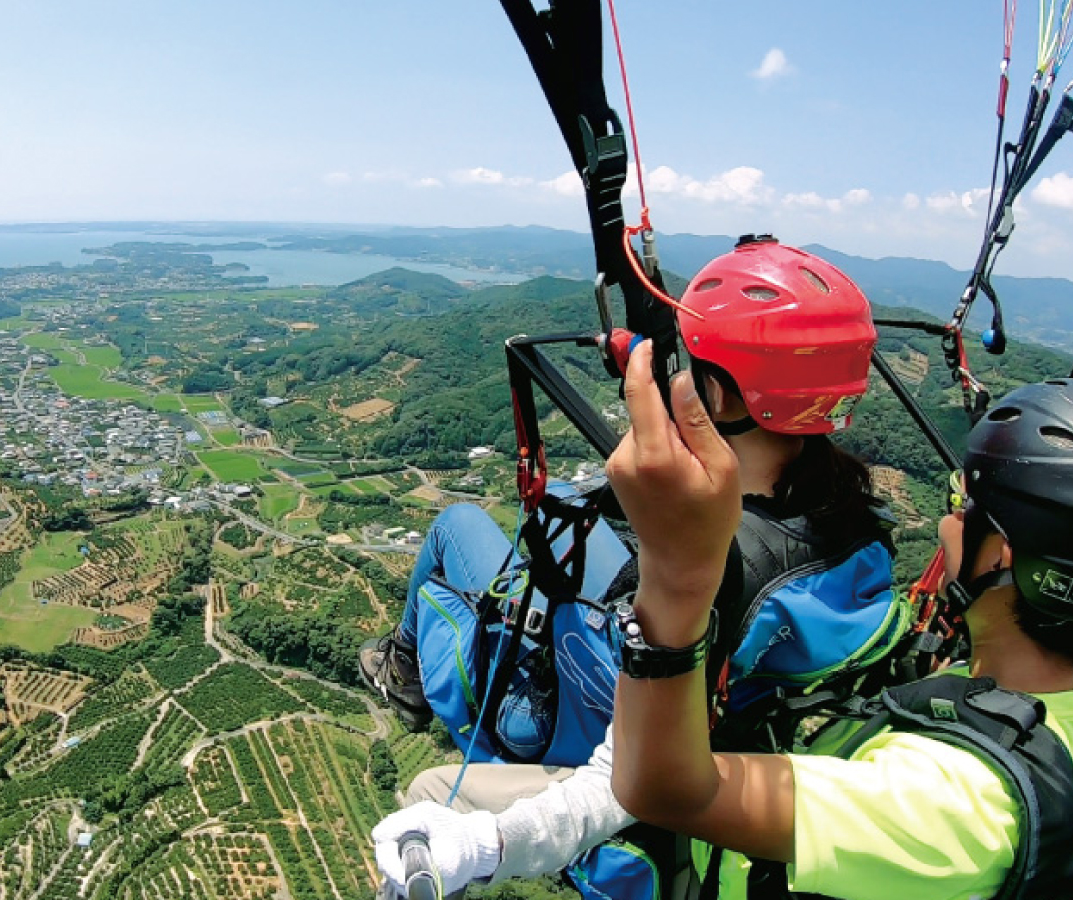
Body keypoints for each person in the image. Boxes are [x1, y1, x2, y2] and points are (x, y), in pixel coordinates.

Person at [369, 238, 900, 897]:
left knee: (456, 527)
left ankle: (405, 676)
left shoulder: (700, 566)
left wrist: (482, 845)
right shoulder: (858, 532)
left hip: (625, 732)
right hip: (742, 722)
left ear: (719, 396)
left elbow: (625, 769)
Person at [602, 347, 1073, 898]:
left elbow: (665, 789)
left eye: (963, 505)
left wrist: (677, 573)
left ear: (1001, 558)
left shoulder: (955, 805)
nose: (948, 520)